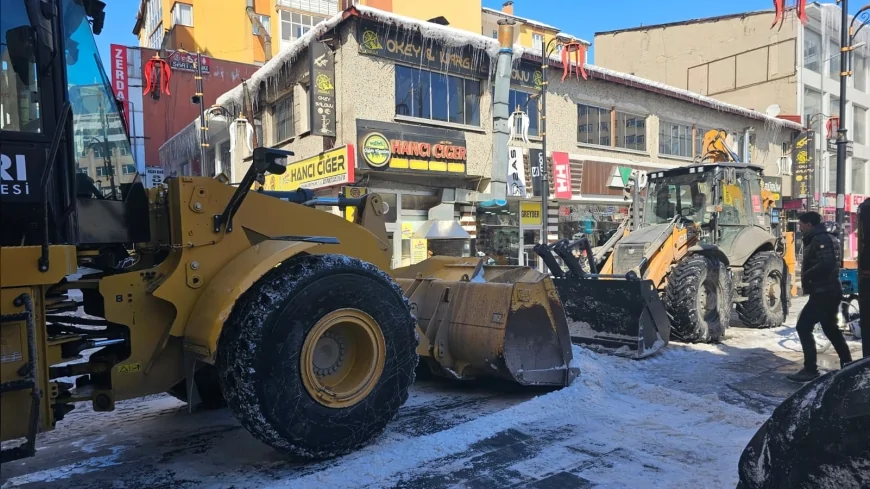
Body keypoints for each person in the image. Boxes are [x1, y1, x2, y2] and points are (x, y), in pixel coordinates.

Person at [788, 212, 853, 382]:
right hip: (826, 290)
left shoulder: (821, 238)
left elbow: (828, 263)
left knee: (803, 326)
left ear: (809, 224)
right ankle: (847, 365)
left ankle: (810, 369)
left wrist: (809, 274)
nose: (799, 227)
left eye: (801, 224)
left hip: (825, 291)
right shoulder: (819, 237)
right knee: (831, 329)